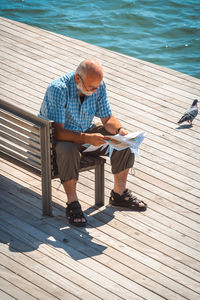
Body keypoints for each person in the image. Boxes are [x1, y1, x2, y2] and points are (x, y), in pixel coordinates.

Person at [40, 59, 147, 227]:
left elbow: (107, 118)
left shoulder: (98, 86)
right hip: (54, 140)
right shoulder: (58, 89)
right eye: (91, 87)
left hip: (84, 132)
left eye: (98, 86)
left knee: (122, 143)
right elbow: (58, 132)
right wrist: (85, 138)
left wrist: (120, 131)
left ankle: (119, 195)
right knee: (68, 149)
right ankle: (72, 203)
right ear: (77, 79)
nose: (96, 90)